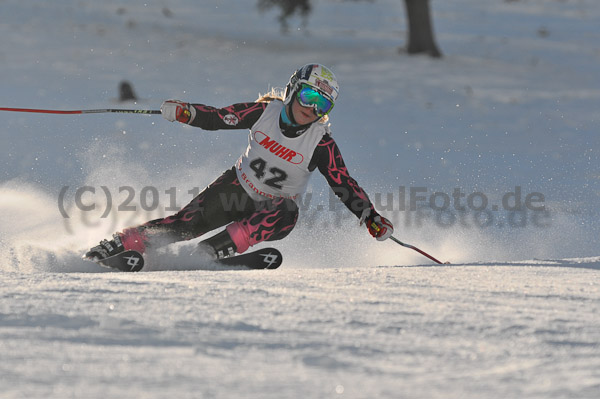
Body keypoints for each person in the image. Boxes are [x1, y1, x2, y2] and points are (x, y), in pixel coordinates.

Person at [85, 63, 393, 262]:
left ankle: (214, 252)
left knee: (287, 212)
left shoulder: (320, 142)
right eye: (308, 97)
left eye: (322, 104)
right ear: (293, 90)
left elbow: (344, 184)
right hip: (236, 188)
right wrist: (186, 112)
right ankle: (123, 244)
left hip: (272, 208)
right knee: (184, 225)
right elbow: (219, 118)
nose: (311, 108)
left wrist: (370, 217)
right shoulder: (265, 113)